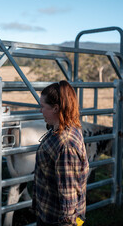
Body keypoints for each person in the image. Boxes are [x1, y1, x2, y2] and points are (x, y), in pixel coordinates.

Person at [32, 80, 89, 226]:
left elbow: (68, 194)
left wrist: (69, 223)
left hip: (56, 219)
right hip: (48, 211)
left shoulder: (66, 145)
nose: (40, 110)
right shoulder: (65, 128)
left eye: (43, 106)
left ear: (56, 108)